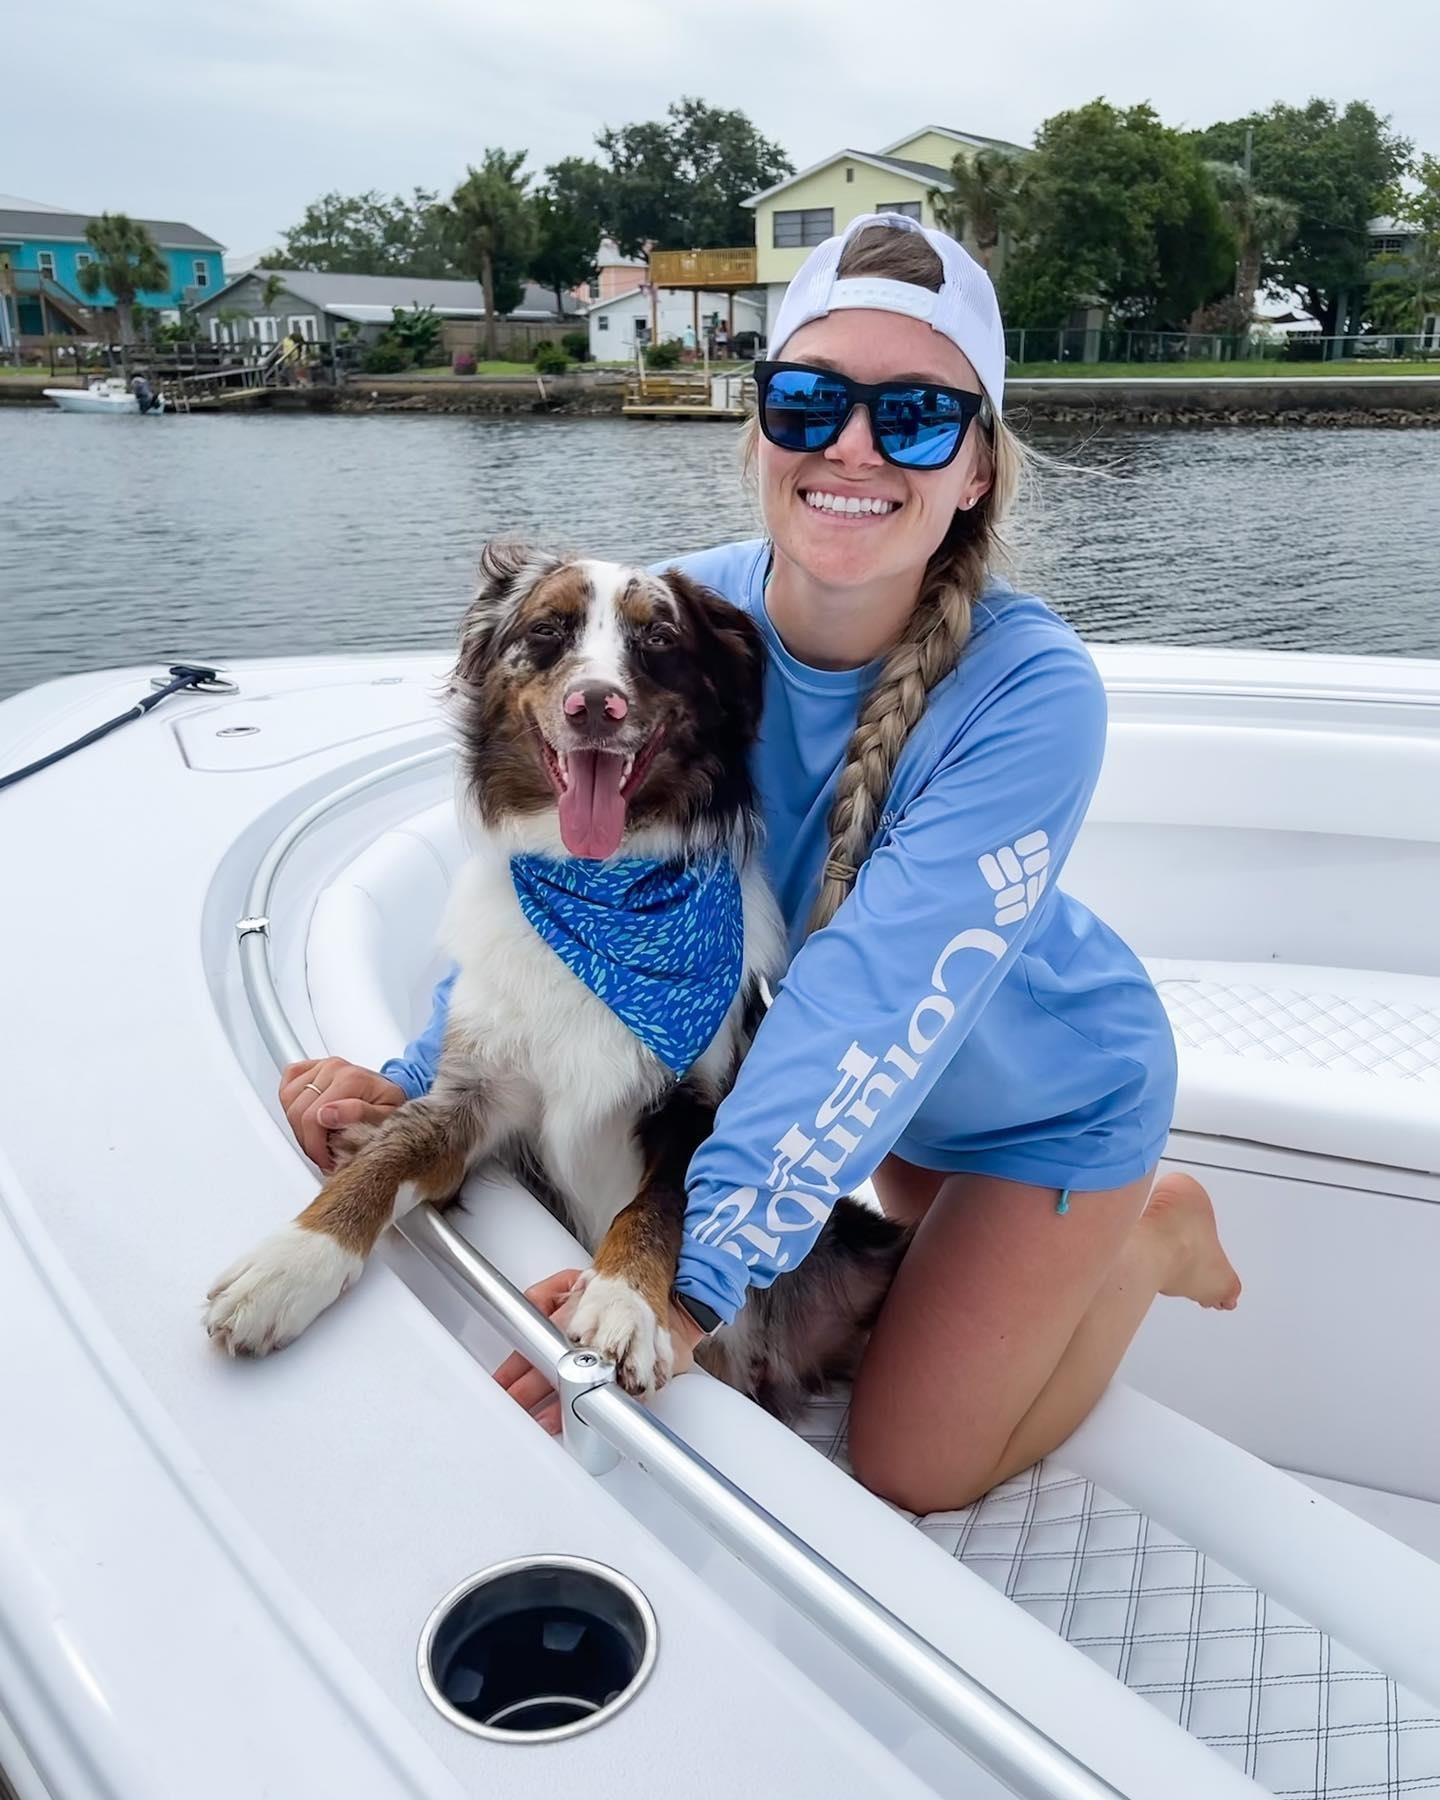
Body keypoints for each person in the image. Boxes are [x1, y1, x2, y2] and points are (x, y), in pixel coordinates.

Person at [282, 212, 1240, 1514]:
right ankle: (975, 1245)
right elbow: (562, 894)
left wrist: (685, 1282)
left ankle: (1151, 1229)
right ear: (761, 434)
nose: (851, 444)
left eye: (913, 415)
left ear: (976, 470)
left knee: (913, 1466)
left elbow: (875, 993)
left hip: (1046, 1103)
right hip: (895, 1118)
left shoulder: (1030, 690)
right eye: (809, 401)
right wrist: (410, 1091)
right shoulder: (686, 629)